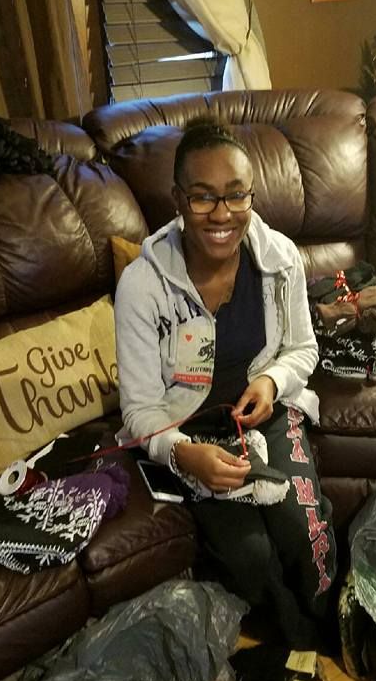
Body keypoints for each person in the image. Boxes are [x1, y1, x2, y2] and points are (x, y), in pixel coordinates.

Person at [114, 117, 337, 648]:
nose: (222, 214)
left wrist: (271, 382)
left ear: (251, 196)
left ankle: (330, 633)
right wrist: (182, 453)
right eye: (203, 197)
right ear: (178, 200)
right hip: (191, 432)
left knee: (301, 528)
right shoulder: (142, 285)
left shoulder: (280, 260)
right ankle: (292, 649)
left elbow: (303, 349)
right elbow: (140, 410)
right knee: (249, 555)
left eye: (237, 196)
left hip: (266, 413)